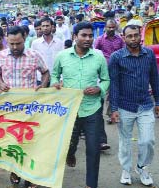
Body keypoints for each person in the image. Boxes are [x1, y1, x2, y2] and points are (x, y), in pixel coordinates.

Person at [51, 22, 110, 188]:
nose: (88, 39)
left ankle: (91, 184)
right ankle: (70, 154)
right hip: (69, 110)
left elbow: (106, 80)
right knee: (69, 143)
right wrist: (56, 84)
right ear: (74, 36)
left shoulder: (99, 57)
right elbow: (55, 75)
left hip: (92, 109)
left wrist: (99, 88)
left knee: (93, 149)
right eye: (84, 35)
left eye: (91, 36)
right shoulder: (62, 56)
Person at [0, 26, 50, 188]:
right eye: (11, 43)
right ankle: (15, 171)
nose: (14, 47)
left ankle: (31, 176)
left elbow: (46, 72)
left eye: (18, 43)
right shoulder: (1, 56)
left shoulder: (34, 56)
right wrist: (1, 83)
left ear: (24, 38)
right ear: (7, 40)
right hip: (9, 109)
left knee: (31, 142)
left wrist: (43, 86)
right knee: (12, 141)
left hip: (30, 109)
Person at [109, 24, 159, 186]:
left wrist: (158, 102)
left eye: (135, 35)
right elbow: (114, 84)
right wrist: (114, 108)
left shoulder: (149, 54)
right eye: (129, 36)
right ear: (124, 38)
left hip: (145, 105)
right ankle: (126, 169)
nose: (133, 39)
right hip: (125, 106)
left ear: (140, 36)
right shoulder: (117, 57)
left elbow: (155, 79)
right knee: (125, 141)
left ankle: (142, 168)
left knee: (148, 141)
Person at [94, 19, 126, 149]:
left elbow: (125, 52)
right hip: (105, 70)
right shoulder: (100, 40)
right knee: (108, 92)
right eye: (109, 27)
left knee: (117, 90)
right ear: (105, 28)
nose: (111, 29)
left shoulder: (120, 40)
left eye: (113, 27)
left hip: (118, 69)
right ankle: (109, 114)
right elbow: (95, 52)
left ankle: (116, 111)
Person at [31, 17, 63, 85]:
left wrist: (62, 78)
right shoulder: (35, 43)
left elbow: (62, 61)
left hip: (56, 79)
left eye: (47, 26)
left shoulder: (59, 43)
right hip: (40, 78)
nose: (45, 28)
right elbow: (32, 61)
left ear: (52, 27)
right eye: (43, 26)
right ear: (41, 27)